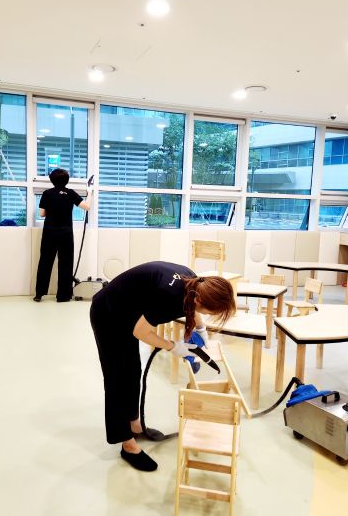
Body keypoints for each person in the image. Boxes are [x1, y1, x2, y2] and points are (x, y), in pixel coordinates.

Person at [89, 261, 236, 472]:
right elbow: (141, 332)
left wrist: (202, 329)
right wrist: (174, 346)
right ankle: (127, 444)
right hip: (108, 313)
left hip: (129, 311)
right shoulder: (168, 296)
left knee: (133, 369)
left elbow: (194, 308)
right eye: (208, 311)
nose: (206, 314)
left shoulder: (195, 282)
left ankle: (134, 424)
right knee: (117, 378)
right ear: (199, 299)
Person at [34, 168, 92, 303]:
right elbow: (87, 207)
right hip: (65, 234)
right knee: (66, 264)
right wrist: (90, 192)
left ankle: (39, 294)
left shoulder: (47, 193)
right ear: (66, 180)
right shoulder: (70, 193)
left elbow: (42, 214)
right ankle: (63, 296)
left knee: (45, 262)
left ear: (52, 180)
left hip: (49, 233)